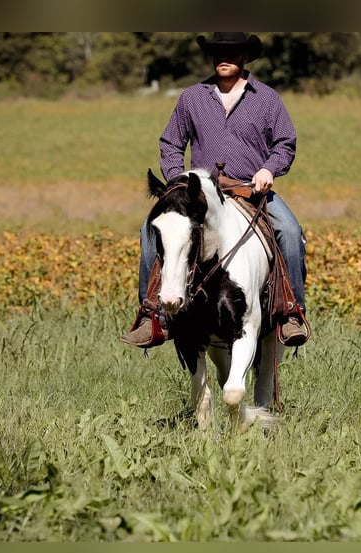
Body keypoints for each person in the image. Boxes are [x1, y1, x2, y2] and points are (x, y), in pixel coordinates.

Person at [122, 32, 308, 348]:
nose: (224, 57)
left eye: (232, 52)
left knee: (290, 231)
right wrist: (177, 181)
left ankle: (290, 312)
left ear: (246, 56)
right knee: (149, 230)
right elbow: (170, 143)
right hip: (202, 195)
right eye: (218, 52)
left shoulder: (267, 98)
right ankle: (153, 315)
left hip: (251, 190)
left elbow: (285, 143)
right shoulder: (192, 98)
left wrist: (268, 169)